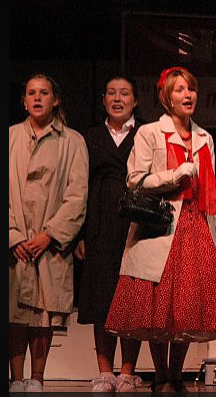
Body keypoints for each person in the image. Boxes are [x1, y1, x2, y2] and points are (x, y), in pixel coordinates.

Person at [104, 66, 216, 393]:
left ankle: (176, 374)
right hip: (161, 223)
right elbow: (135, 179)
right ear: (167, 98)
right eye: (179, 90)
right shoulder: (150, 133)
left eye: (191, 89)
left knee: (187, 304)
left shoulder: (205, 137)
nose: (187, 95)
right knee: (157, 304)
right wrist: (174, 174)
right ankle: (161, 373)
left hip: (195, 225)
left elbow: (210, 192)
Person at [9, 74, 89, 392]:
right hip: (17, 241)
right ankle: (16, 378)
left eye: (44, 93)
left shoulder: (73, 142)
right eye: (31, 93)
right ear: (24, 101)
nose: (37, 98)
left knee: (44, 311)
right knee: (15, 311)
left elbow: (77, 196)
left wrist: (51, 234)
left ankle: (37, 378)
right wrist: (13, 235)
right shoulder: (11, 137)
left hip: (50, 243)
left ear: (55, 100)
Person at [73, 75, 143, 392]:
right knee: (102, 297)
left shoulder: (145, 132)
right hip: (99, 221)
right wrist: (81, 234)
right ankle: (105, 371)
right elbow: (80, 186)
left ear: (135, 100)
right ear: (103, 100)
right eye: (111, 93)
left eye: (124, 93)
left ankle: (128, 371)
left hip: (136, 223)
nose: (117, 99)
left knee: (131, 298)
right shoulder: (89, 137)